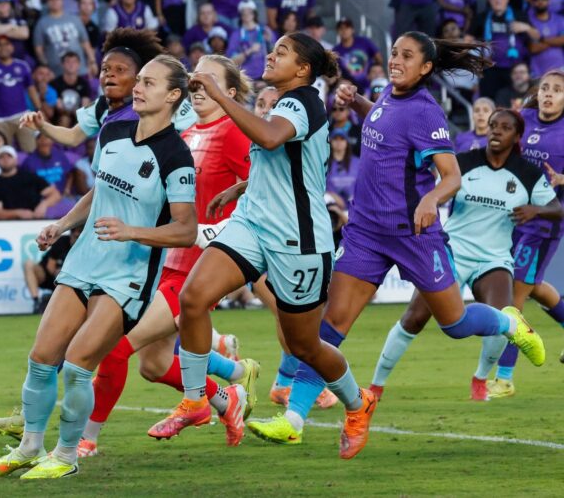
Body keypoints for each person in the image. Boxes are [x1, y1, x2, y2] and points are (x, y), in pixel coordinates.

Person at [253, 33, 545, 450]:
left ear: (425, 68)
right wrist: (358, 103)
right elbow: (387, 129)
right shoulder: (388, 97)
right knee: (330, 327)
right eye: (393, 53)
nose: (395, 61)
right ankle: (294, 419)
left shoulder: (427, 111)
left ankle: (509, 323)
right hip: (366, 232)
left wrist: (430, 199)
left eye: (406, 56)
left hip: (414, 235)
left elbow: (452, 177)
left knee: (456, 324)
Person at [156, 33, 375, 461]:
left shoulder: (305, 102)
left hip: (297, 239)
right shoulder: (284, 103)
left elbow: (273, 139)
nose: (271, 56)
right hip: (252, 223)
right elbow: (282, 163)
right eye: (273, 50)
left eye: (282, 52)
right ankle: (197, 398)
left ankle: (357, 401)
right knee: (193, 297)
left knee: (304, 346)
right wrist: (241, 186)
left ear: (303, 69)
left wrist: (220, 95)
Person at [0, 55, 196, 480]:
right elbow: (100, 191)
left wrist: (132, 231)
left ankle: (66, 456)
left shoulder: (176, 156)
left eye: (149, 83)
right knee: (42, 357)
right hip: (84, 260)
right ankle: (29, 447)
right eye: (140, 80)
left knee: (79, 364)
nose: (138, 88)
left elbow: (186, 230)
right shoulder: (112, 131)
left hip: (127, 276)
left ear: (173, 95)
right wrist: (61, 225)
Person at [82, 55, 258, 454]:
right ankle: (227, 396)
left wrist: (225, 226)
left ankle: (84, 440)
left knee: (115, 346)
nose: (199, 85)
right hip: (164, 261)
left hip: (199, 267)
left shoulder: (233, 131)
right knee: (154, 365)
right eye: (196, 77)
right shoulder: (187, 133)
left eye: (209, 79)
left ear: (230, 93)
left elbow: (264, 182)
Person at [371, 108, 560, 400]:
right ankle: (376, 385)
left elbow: (557, 209)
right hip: (453, 252)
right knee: (415, 317)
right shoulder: (463, 163)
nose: (496, 131)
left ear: (517, 136)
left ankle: (480, 379)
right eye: (493, 125)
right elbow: (435, 194)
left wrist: (537, 210)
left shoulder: (528, 174)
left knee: (504, 320)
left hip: (495, 259)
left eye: (505, 127)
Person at [487, 70, 564, 397]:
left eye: (557, 90)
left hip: (542, 227)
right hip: (513, 219)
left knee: (513, 300)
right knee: (533, 288)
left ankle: (504, 379)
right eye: (545, 88)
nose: (548, 94)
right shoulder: (525, 119)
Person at [0, 35, 41, 153]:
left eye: (6, 44)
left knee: (31, 150)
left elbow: (31, 89)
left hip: (22, 116)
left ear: (12, 47)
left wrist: (39, 109)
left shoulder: (22, 66)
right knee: (2, 153)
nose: (3, 47)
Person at [478, 0, 536, 99]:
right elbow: (468, 39)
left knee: (517, 101)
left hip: (515, 68)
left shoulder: (519, 15)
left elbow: (537, 36)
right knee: (488, 99)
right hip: (491, 69)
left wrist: (526, 27)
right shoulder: (482, 17)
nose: (497, 0)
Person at [36, 0, 96, 76]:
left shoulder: (75, 19)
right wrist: (46, 66)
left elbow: (85, 43)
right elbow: (39, 49)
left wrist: (92, 62)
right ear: (47, 2)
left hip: (80, 71)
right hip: (56, 73)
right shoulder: (41, 23)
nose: (54, 1)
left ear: (62, 1)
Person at [527, 0, 564, 79]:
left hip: (560, 67)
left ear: (548, 0)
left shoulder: (559, 19)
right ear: (533, 2)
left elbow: (562, 40)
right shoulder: (528, 21)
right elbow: (533, 48)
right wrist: (555, 41)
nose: (540, 2)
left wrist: (541, 39)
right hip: (537, 71)